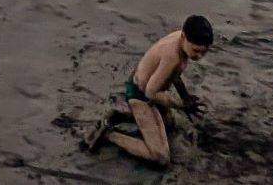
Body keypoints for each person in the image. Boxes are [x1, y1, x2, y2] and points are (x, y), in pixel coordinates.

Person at [86, 16, 215, 166]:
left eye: (204, 52)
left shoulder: (182, 41)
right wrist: (181, 105)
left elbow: (174, 74)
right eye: (196, 51)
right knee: (160, 157)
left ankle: (119, 116)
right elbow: (150, 93)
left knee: (169, 124)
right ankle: (109, 135)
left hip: (147, 84)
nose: (199, 56)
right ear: (183, 37)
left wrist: (185, 95)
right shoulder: (171, 56)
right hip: (140, 95)